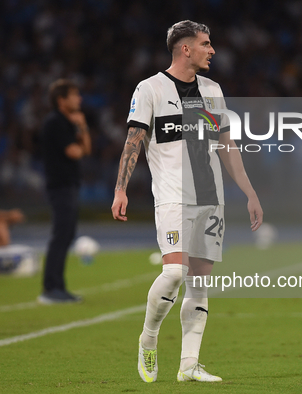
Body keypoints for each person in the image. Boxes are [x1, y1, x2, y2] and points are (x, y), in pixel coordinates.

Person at [111, 21, 263, 383]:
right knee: (175, 272)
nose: (212, 50)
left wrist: (249, 191)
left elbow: (227, 145)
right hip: (172, 198)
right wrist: (121, 188)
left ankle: (189, 365)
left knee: (199, 283)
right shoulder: (149, 88)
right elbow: (134, 139)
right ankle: (148, 339)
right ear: (185, 49)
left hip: (211, 199)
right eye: (206, 44)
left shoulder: (213, 90)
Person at [38, 79, 91, 304]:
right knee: (61, 235)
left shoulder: (69, 122)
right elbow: (74, 152)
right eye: (74, 95)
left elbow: (86, 149)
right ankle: (51, 288)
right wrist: (79, 133)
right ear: (61, 100)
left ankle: (58, 287)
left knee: (67, 235)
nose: (79, 99)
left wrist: (82, 126)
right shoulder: (55, 122)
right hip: (59, 185)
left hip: (69, 185)